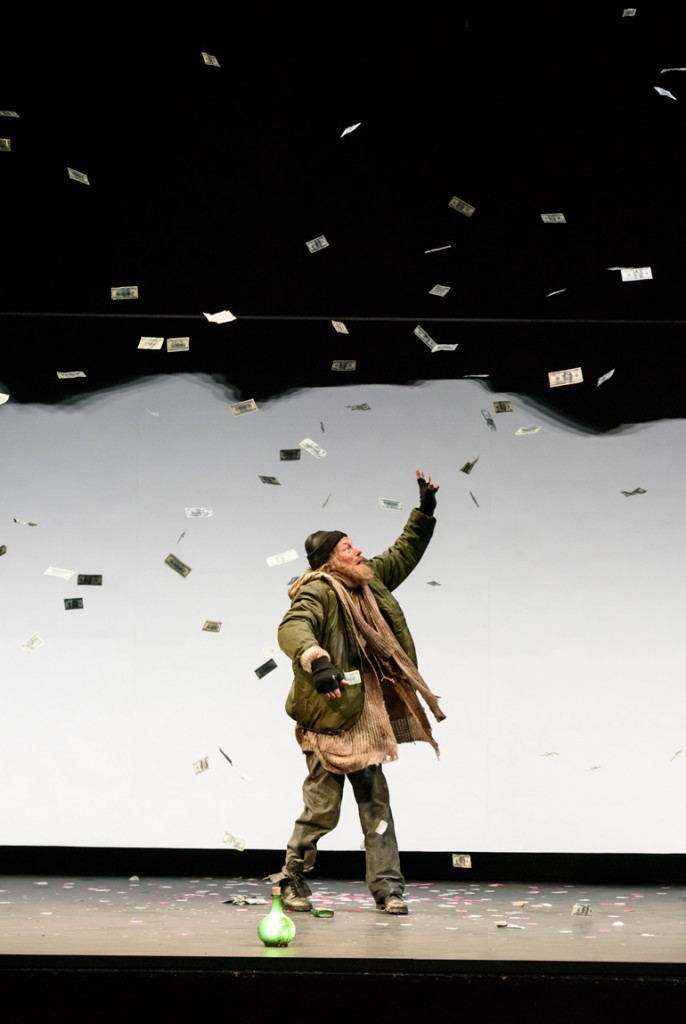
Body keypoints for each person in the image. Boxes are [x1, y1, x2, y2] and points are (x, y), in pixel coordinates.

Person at [271, 470, 446, 915]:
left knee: (376, 807)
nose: (359, 551)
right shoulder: (318, 591)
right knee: (321, 810)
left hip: (366, 716)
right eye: (348, 547)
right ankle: (291, 878)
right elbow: (294, 626)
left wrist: (424, 510)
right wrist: (316, 659)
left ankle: (388, 889)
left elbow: (403, 553)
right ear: (331, 561)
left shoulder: (367, 580)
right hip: (330, 719)